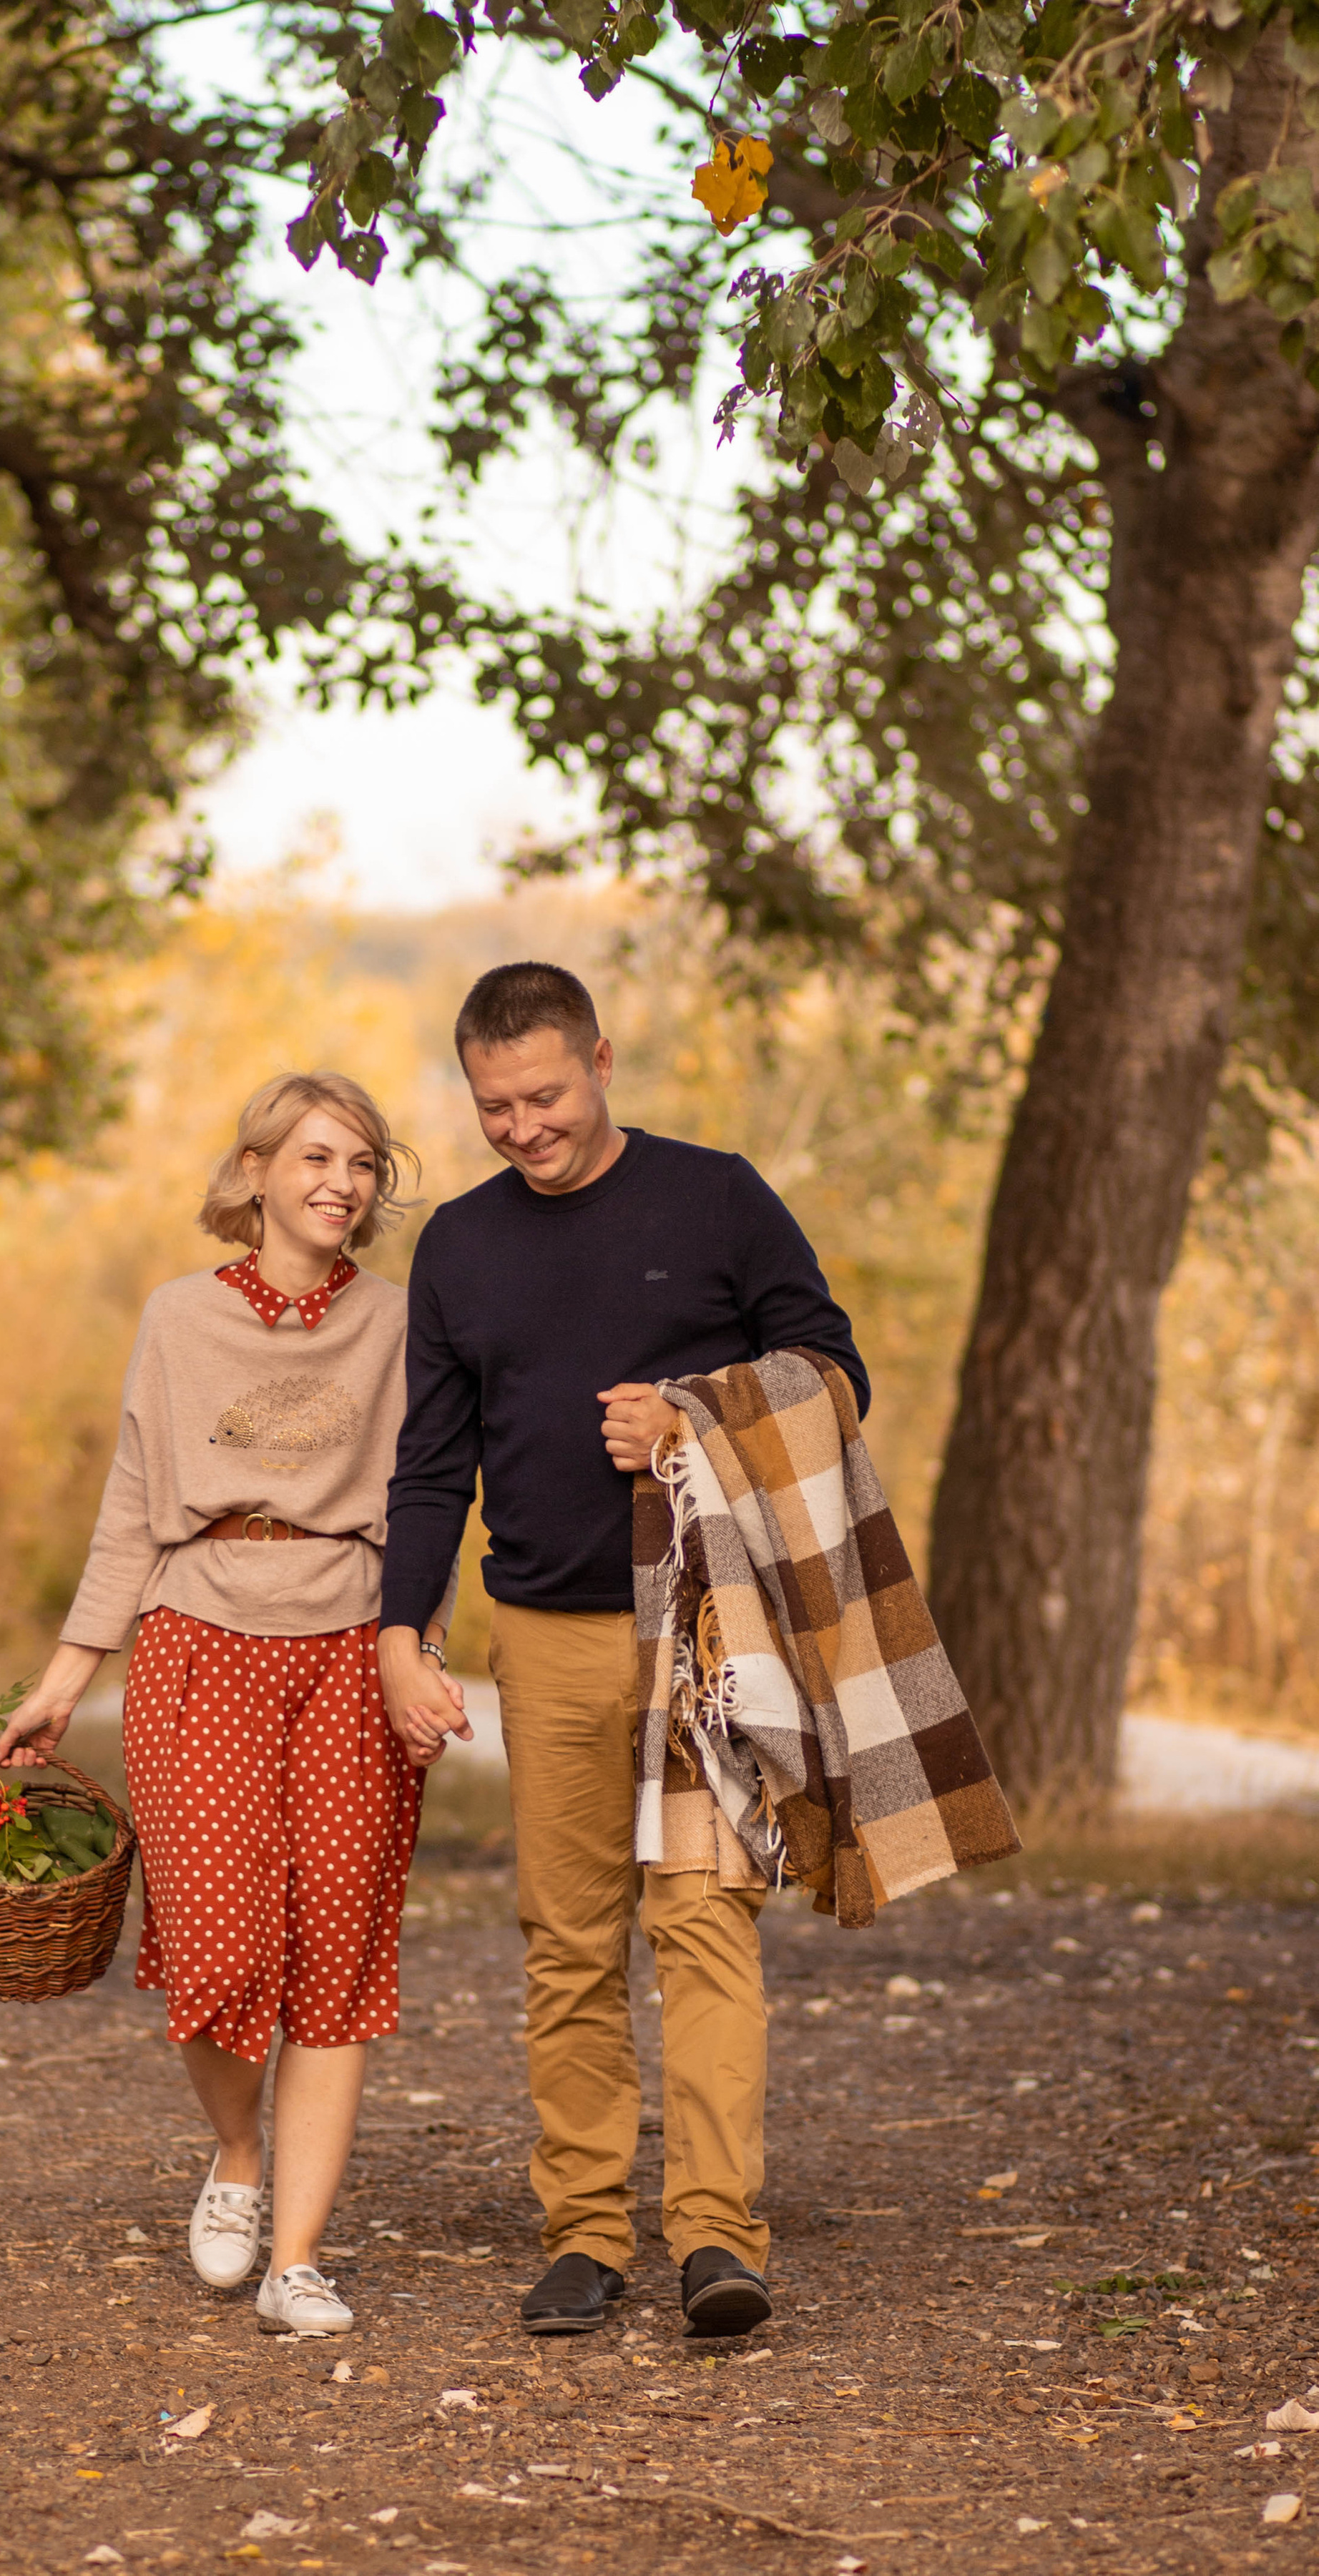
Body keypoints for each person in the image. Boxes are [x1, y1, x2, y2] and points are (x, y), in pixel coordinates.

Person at [376, 963, 868, 2341]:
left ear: (601, 1056)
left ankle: (719, 2239)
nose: (523, 1127)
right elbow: (430, 1468)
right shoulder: (460, 1248)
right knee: (569, 1940)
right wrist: (402, 1631)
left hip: (705, 1636)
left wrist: (690, 1419)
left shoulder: (716, 1195)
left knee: (706, 1927)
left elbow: (836, 1373)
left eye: (543, 1094)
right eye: (494, 1107)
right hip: (543, 1635)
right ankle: (585, 2237)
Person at [0, 1071, 454, 2337]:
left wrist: (418, 1647)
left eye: (363, 1164)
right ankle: (238, 2158)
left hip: (351, 1650)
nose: (339, 1184)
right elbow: (133, 1504)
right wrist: (64, 1680)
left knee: (337, 1965)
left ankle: (297, 2260)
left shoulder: (406, 1323)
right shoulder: (178, 1319)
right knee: (213, 1949)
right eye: (315, 1157)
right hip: (200, 1644)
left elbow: (428, 1499)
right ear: (253, 1171)